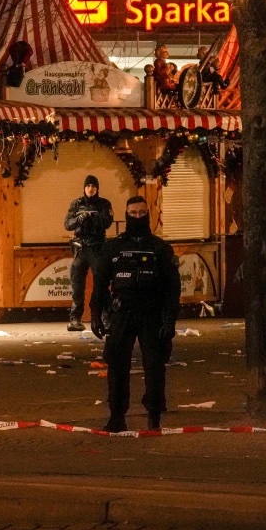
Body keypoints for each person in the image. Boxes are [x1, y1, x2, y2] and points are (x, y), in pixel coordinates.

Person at [92, 195, 181, 433]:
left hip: (152, 314)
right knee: (116, 366)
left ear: (148, 215)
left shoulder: (160, 248)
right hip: (122, 313)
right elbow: (100, 283)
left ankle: (154, 415)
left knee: (154, 366)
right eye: (133, 213)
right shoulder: (114, 247)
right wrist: (95, 314)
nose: (138, 217)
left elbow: (173, 288)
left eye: (142, 213)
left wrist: (169, 320)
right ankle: (116, 417)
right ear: (126, 214)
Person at [64, 175, 114, 332]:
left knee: (101, 283)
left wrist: (94, 216)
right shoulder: (77, 203)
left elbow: (107, 222)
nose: (90, 189)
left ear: (97, 188)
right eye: (88, 186)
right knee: (77, 284)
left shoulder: (104, 204)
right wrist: (80, 218)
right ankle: (75, 318)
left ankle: (105, 317)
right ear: (84, 188)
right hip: (80, 247)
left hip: (97, 247)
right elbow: (67, 224)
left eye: (93, 186)